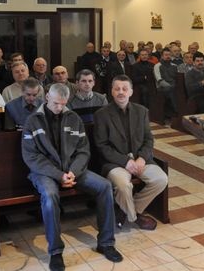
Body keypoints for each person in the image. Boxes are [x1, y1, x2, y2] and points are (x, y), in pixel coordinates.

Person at [21, 83, 123, 269]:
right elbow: (31, 157)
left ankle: (106, 243)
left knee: (105, 186)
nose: (59, 108)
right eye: (55, 104)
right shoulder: (33, 121)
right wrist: (59, 175)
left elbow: (83, 151)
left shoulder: (73, 118)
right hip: (45, 173)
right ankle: (55, 252)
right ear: (47, 99)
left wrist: (72, 172)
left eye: (63, 104)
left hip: (72, 171)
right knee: (50, 196)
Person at [93, 75, 168, 231]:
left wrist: (141, 159)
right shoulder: (102, 114)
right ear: (112, 92)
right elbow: (102, 146)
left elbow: (148, 140)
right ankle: (134, 217)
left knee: (161, 179)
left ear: (131, 92)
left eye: (124, 89)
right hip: (114, 162)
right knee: (123, 185)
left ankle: (126, 210)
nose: (121, 92)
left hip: (140, 160)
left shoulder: (142, 111)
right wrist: (125, 162)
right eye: (117, 89)